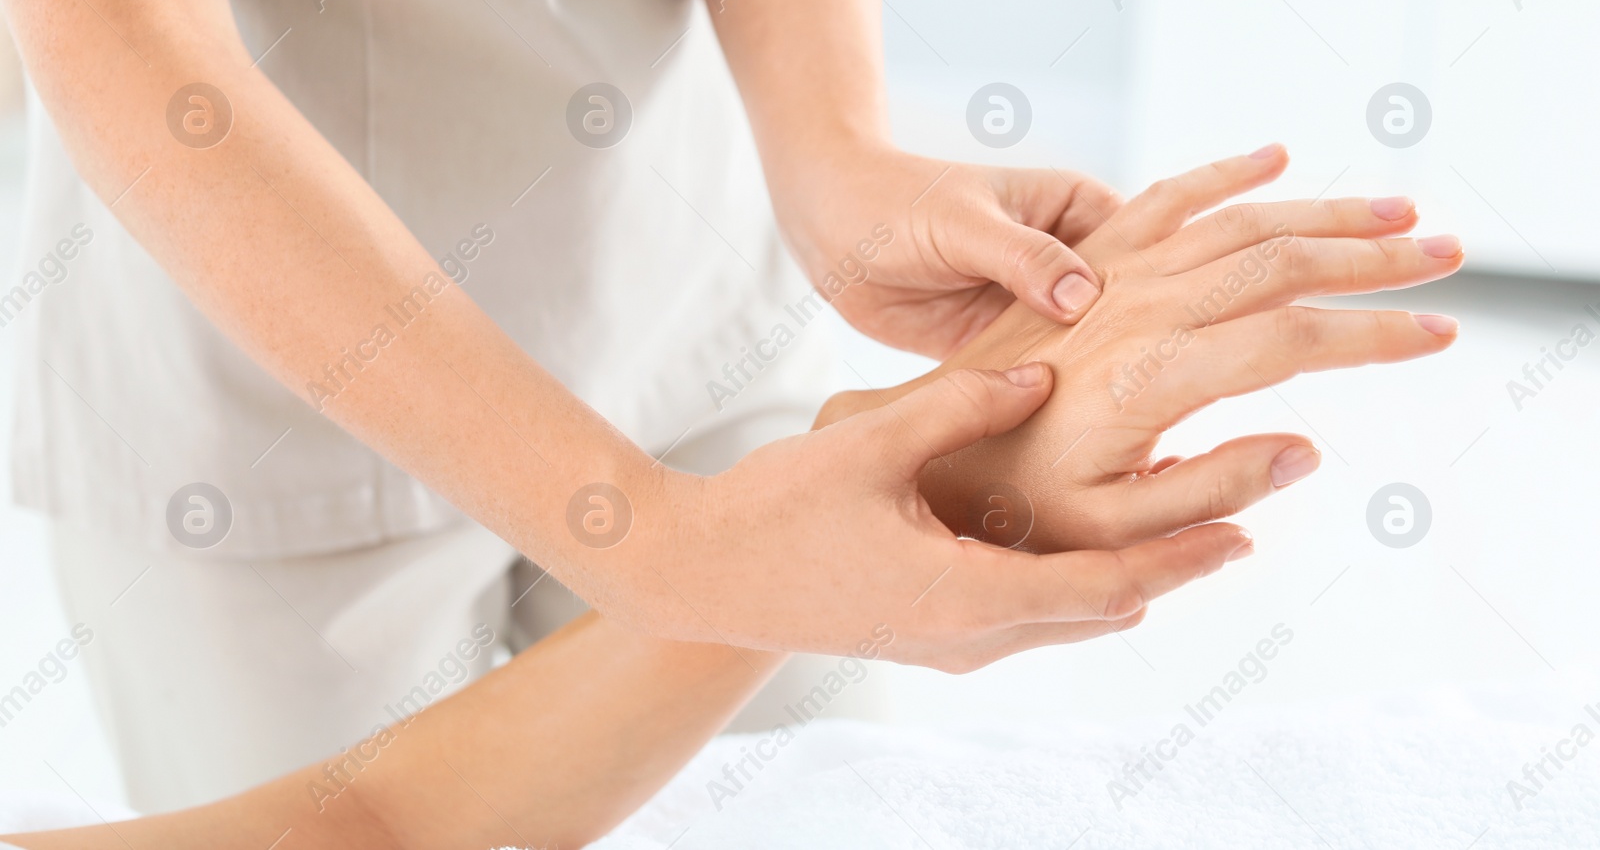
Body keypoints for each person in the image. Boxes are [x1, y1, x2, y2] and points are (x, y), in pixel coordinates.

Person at [0, 159, 1462, 849]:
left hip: (639, 222)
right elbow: (379, 815)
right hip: (231, 372)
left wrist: (856, 477)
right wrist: (879, 490)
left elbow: (383, 817)